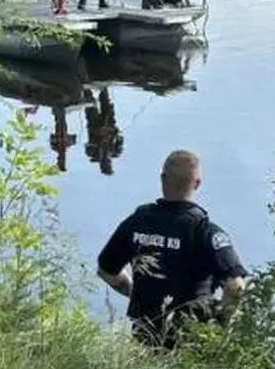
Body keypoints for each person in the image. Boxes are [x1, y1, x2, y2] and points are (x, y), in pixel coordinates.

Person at [95, 150, 248, 351]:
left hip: (145, 337)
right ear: (197, 184)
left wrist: (135, 294)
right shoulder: (205, 231)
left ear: (162, 178)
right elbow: (236, 287)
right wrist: (222, 323)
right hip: (192, 340)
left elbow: (106, 271)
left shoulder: (137, 222)